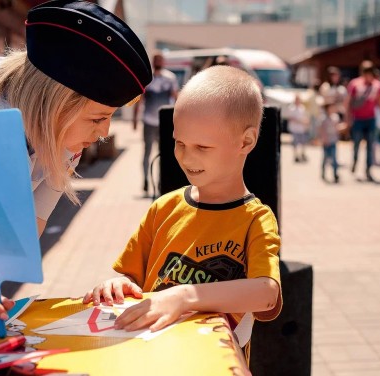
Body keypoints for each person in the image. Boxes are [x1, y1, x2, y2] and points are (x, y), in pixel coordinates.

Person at [0, 0, 152, 338]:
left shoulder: (63, 133)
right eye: (98, 118)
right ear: (56, 103)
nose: (104, 133)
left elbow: (22, 233)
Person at [84, 65, 282, 364]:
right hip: (151, 358)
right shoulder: (163, 208)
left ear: (246, 141)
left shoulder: (256, 219)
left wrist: (184, 296)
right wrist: (116, 284)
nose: (187, 157)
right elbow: (129, 275)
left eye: (202, 147)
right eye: (179, 143)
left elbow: (266, 293)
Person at [132, 51, 179, 195]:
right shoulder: (147, 79)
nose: (158, 62)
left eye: (160, 60)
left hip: (164, 122)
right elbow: (139, 100)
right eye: (155, 60)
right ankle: (146, 180)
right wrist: (135, 119)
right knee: (147, 152)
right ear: (152, 62)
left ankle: (160, 182)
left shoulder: (170, 78)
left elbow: (176, 98)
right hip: (148, 121)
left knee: (164, 153)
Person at [344, 60, 380, 181]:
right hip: (357, 119)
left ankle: (368, 170)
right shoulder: (355, 84)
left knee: (370, 145)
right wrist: (347, 119)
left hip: (371, 119)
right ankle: (355, 161)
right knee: (357, 144)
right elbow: (348, 102)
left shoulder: (377, 85)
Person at [317, 101, 341, 183]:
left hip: (333, 140)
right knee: (325, 159)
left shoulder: (335, 117)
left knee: (334, 158)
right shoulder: (323, 118)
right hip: (327, 141)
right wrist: (324, 139)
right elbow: (321, 130)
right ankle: (323, 173)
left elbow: (336, 128)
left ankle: (335, 174)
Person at [286, 94, 310, 162]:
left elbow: (305, 117)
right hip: (294, 128)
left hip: (301, 129)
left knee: (303, 142)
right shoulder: (291, 108)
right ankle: (296, 155)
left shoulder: (302, 108)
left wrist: (306, 122)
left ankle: (302, 154)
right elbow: (290, 118)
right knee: (295, 143)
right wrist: (299, 121)